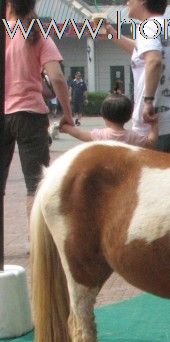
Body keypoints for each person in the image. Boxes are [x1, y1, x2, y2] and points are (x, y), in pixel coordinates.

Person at [2, 0, 74, 231]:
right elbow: (57, 78)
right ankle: (36, 242)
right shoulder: (38, 35)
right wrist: (67, 114)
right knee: (35, 184)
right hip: (30, 115)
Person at [105, 0, 170, 155]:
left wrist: (148, 101)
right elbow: (141, 52)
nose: (127, 2)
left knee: (148, 178)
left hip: (158, 122)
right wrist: (111, 33)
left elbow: (153, 60)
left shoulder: (147, 27)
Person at [60, 93, 157, 148]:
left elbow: (79, 134)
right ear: (129, 116)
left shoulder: (100, 135)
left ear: (104, 116)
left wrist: (66, 127)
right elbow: (151, 142)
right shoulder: (133, 136)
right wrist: (153, 124)